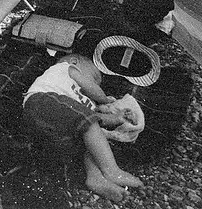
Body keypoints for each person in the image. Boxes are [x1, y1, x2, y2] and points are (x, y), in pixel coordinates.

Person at [22, 53, 144, 203]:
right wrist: (105, 101)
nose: (95, 85)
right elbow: (91, 92)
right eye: (93, 78)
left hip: (54, 129)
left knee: (90, 140)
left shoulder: (82, 104)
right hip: (42, 102)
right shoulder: (66, 69)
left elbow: (92, 123)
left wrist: (116, 118)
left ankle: (95, 177)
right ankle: (112, 170)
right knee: (89, 124)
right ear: (74, 62)